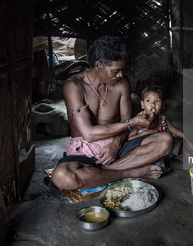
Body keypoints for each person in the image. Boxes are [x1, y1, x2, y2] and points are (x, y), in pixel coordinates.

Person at [51, 36, 173, 190]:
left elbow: (127, 121)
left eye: (122, 70)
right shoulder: (74, 86)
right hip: (85, 152)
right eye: (116, 71)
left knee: (166, 140)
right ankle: (130, 171)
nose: (121, 75)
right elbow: (89, 134)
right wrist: (132, 123)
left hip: (118, 147)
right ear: (98, 65)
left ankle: (103, 172)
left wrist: (115, 144)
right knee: (62, 176)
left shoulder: (122, 83)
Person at [128, 85, 193, 163]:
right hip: (147, 151)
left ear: (163, 105)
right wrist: (148, 133)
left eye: (157, 101)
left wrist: (192, 145)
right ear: (142, 104)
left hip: (163, 147)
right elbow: (130, 139)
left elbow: (178, 132)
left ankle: (192, 159)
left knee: (176, 140)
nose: (153, 104)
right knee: (157, 166)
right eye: (148, 101)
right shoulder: (139, 120)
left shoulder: (162, 119)